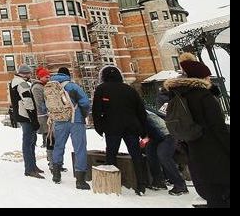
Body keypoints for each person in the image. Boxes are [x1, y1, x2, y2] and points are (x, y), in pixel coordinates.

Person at [163, 59, 229, 208]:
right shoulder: (204, 97)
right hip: (217, 156)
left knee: (214, 197)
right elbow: (218, 129)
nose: (209, 80)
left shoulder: (178, 96)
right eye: (207, 77)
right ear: (200, 78)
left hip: (195, 155)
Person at [92, 65, 148, 195]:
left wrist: (99, 128)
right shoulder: (130, 89)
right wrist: (143, 130)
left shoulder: (101, 89)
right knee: (136, 155)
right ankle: (141, 184)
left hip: (112, 127)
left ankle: (113, 184)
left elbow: (96, 110)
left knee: (111, 155)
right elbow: (140, 110)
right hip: (131, 127)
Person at [48, 67, 91, 190]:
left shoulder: (51, 86)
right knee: (80, 148)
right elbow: (85, 103)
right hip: (75, 119)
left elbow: (45, 105)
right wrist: (83, 114)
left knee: (58, 145)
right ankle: (80, 180)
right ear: (68, 75)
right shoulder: (72, 86)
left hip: (59, 120)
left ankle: (56, 174)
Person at [142, 107, 188, 195]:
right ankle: (158, 181)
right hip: (156, 135)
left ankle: (180, 185)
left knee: (163, 155)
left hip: (168, 133)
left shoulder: (142, 111)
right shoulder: (140, 110)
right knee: (150, 152)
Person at [9, 65, 43, 179]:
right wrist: (33, 118)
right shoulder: (22, 84)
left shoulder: (15, 82)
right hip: (26, 116)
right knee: (28, 142)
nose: (30, 75)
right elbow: (27, 101)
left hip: (22, 115)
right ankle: (29, 168)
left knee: (32, 140)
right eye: (29, 73)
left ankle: (33, 166)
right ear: (25, 74)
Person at [31, 67, 54, 169]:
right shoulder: (37, 87)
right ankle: (52, 162)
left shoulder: (44, 86)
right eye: (46, 77)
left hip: (47, 116)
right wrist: (48, 109)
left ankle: (53, 161)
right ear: (40, 77)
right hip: (43, 116)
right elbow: (39, 103)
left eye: (49, 76)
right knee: (50, 138)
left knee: (51, 138)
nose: (48, 78)